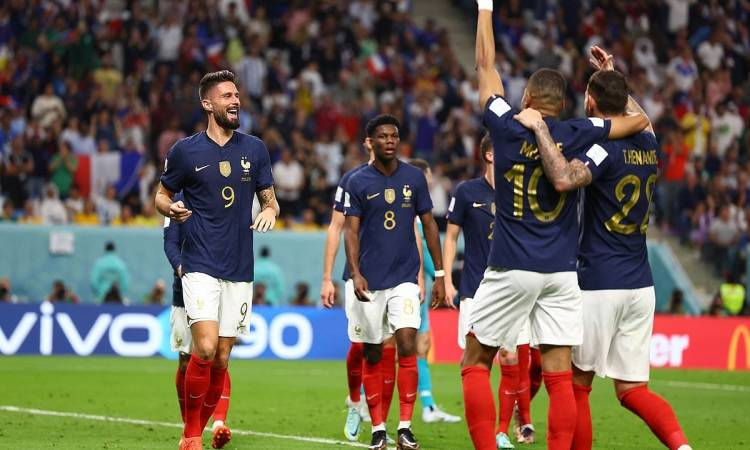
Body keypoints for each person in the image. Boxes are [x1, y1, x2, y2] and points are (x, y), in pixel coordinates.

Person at [461, 4, 649, 450]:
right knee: (560, 375)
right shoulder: (579, 131)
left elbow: (484, 65)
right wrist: (613, 80)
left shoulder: (506, 125)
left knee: (476, 360)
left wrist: (485, 8)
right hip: (563, 274)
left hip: (511, 265)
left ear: (526, 99)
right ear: (562, 106)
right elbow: (640, 121)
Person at [514, 45, 691, 450]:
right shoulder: (650, 144)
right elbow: (643, 119)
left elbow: (564, 179)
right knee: (633, 390)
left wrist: (541, 131)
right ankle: (683, 447)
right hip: (640, 285)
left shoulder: (602, 148)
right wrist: (613, 77)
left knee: (577, 385)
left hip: (599, 281)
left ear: (591, 103)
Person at [155, 70, 278, 450]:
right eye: (227, 95)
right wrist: (170, 208)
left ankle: (197, 429)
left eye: (237, 95)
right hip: (199, 264)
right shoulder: (185, 151)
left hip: (239, 267)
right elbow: (160, 195)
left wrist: (270, 210)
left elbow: (270, 199)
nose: (235, 100)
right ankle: (192, 435)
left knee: (222, 358)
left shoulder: (255, 150)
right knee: (204, 348)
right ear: (208, 104)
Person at [343, 114, 446, 450]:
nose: (390, 141)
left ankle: (404, 426)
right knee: (373, 353)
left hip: (404, 278)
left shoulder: (413, 178)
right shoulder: (357, 181)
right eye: (383, 136)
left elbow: (429, 225)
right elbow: (350, 231)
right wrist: (356, 272)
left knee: (407, 343)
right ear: (370, 142)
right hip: (370, 280)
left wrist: (440, 274)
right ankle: (377, 428)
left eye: (394, 136)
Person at [443, 135, 534, 449]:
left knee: (510, 357)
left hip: (514, 288)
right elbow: (451, 236)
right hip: (476, 288)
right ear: (491, 155)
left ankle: (501, 431)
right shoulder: (467, 192)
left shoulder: (520, 191)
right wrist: (447, 279)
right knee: (473, 359)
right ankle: (479, 421)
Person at [320, 140, 398, 443]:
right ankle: (355, 402)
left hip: (395, 276)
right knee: (361, 343)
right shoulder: (352, 180)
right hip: (360, 274)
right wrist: (327, 278)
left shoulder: (402, 178)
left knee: (389, 346)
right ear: (368, 141)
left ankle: (381, 425)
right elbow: (335, 227)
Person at [163, 192, 233, 449]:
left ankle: (217, 423)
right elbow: (170, 243)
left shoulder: (221, 193)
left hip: (218, 284)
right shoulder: (177, 201)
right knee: (186, 360)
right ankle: (190, 427)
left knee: (216, 355)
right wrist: (183, 269)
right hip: (185, 289)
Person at [409, 158, 461, 424]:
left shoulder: (420, 216)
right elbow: (428, 260)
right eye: (428, 177)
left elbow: (430, 261)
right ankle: (362, 400)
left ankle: (428, 406)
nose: (429, 182)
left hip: (419, 294)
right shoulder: (411, 217)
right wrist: (441, 277)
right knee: (387, 349)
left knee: (422, 345)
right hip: (403, 292)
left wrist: (441, 278)